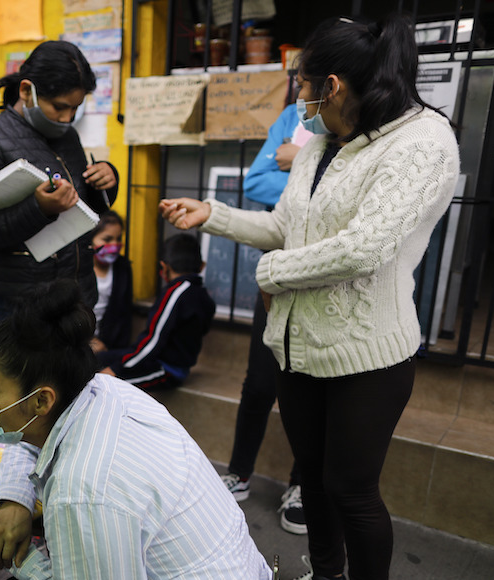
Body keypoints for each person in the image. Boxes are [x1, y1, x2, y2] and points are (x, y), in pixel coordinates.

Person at [160, 15, 459, 580]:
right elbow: (286, 227)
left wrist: (271, 273)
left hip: (367, 355)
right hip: (297, 352)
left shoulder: (423, 142)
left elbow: (363, 249)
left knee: (353, 490)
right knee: (315, 480)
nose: (297, 96)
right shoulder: (320, 143)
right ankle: (325, 573)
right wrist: (214, 216)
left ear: (333, 86)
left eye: (301, 83)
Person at [0, 280, 271, 579]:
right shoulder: (100, 390)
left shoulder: (80, 493)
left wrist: (20, 558)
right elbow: (29, 441)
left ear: (41, 401)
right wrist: (14, 504)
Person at [0, 40, 119, 326]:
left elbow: (82, 208)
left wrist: (106, 180)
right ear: (26, 91)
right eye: (59, 107)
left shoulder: (67, 136)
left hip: (75, 296)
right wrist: (39, 209)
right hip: (21, 305)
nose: (67, 118)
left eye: (75, 108)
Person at [220, 102, 309, 536]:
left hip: (324, 283)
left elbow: (342, 198)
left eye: (308, 83)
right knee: (259, 381)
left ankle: (302, 486)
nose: (301, 95)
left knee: (312, 389)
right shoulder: (292, 119)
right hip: (276, 272)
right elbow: (257, 181)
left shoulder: (363, 122)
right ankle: (238, 473)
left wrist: (301, 160)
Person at [97, 233, 215, 389]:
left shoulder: (175, 293)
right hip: (161, 361)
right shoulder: (203, 295)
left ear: (164, 267)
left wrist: (115, 369)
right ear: (201, 266)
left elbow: (152, 342)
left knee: (104, 385)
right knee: (97, 360)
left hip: (167, 369)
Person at [89, 210, 134, 352]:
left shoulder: (122, 268)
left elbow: (124, 313)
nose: (114, 245)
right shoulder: (78, 266)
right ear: (90, 239)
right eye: (107, 239)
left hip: (108, 345)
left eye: (118, 239)